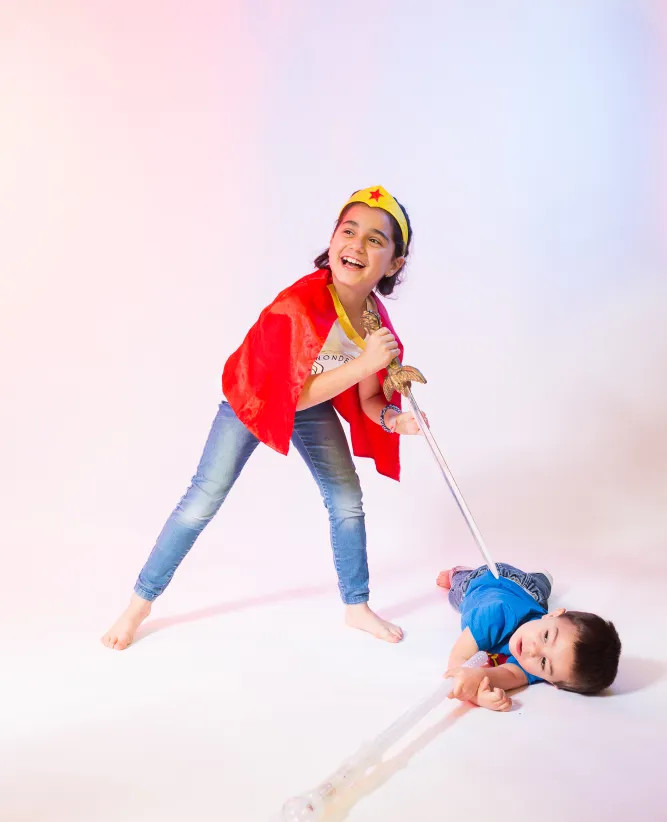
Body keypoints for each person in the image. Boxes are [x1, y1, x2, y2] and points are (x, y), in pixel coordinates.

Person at [103, 186, 426, 650]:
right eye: (349, 231)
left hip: (311, 402)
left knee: (346, 499)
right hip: (254, 399)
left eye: (375, 240)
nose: (357, 244)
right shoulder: (297, 305)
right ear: (333, 239)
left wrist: (395, 419)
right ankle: (139, 604)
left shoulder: (375, 324)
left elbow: (370, 396)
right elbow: (282, 397)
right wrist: (362, 365)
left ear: (394, 263)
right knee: (203, 499)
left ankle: (356, 606)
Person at [437, 562, 621, 711]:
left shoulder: (539, 668)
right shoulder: (497, 613)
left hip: (528, 594)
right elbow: (459, 659)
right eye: (546, 636)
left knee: (538, 591)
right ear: (553, 615)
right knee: (457, 592)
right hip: (485, 580)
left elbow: (506, 675)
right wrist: (472, 692)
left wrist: (480, 685)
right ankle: (458, 573)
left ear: (552, 682)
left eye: (544, 662)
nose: (532, 650)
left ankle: (541, 579)